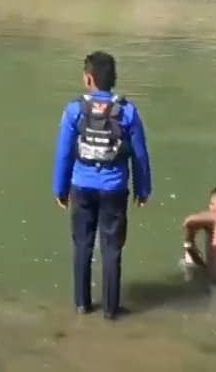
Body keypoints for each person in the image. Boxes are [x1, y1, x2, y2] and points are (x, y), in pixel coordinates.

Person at [52, 51, 152, 320]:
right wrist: (143, 189)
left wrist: (59, 189)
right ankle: (110, 310)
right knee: (111, 249)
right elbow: (140, 154)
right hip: (114, 189)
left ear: (88, 79)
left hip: (81, 187)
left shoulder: (75, 110)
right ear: (113, 79)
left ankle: (82, 305)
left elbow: (64, 153)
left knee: (82, 245)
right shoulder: (128, 111)